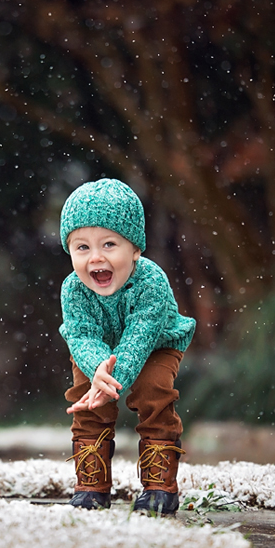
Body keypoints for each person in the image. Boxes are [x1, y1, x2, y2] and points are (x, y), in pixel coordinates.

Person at [58, 178, 196, 514]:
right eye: (82, 247)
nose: (95, 258)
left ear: (135, 249)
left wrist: (112, 378)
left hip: (157, 345)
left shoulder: (150, 281)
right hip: (98, 352)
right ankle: (91, 485)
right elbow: (81, 335)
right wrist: (97, 371)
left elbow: (139, 336)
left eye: (109, 244)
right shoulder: (73, 289)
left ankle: (160, 484)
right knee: (87, 398)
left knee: (152, 390)